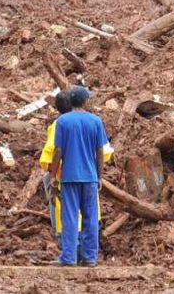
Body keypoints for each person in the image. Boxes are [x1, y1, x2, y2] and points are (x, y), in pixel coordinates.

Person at [39, 91, 113, 243]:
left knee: (68, 218)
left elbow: (52, 154)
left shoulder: (60, 123)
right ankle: (88, 251)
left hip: (67, 179)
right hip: (89, 177)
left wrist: (53, 175)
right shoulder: (93, 120)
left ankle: (66, 247)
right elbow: (103, 152)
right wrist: (97, 174)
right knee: (89, 218)